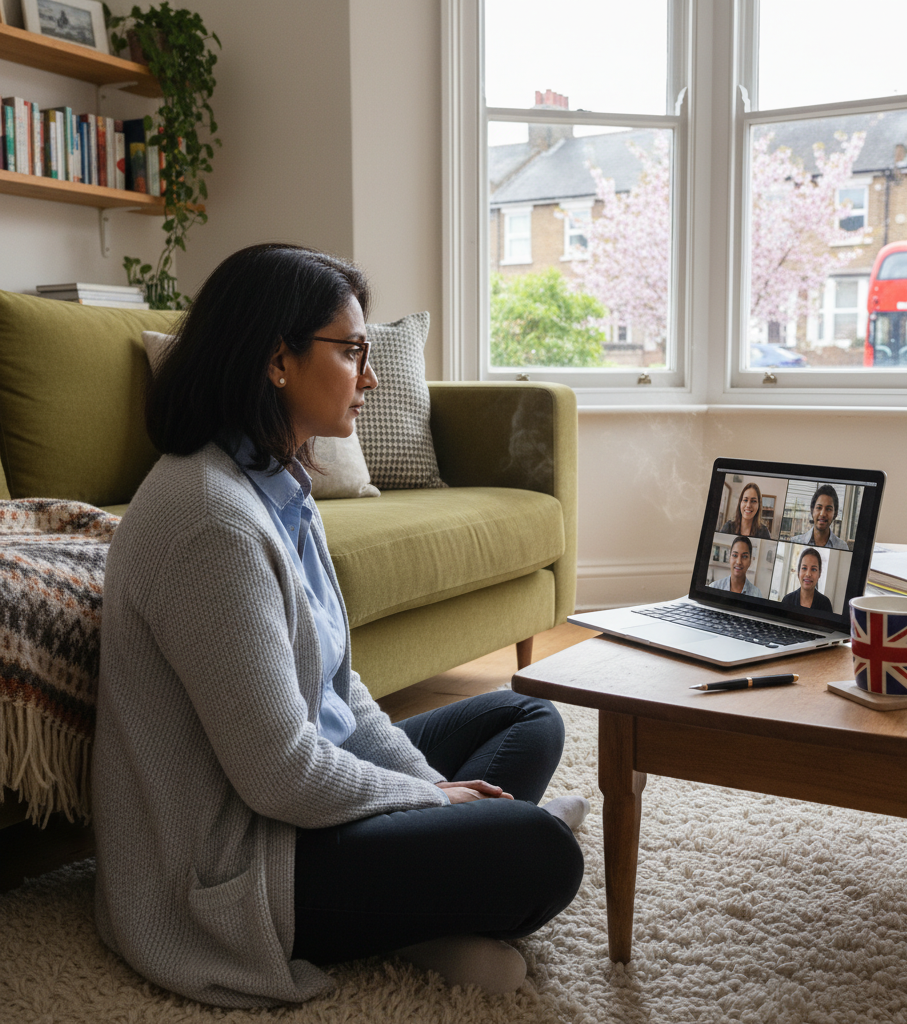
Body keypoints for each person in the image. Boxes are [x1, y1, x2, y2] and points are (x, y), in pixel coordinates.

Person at [92, 243, 587, 1008]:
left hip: (300, 803)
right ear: (276, 360)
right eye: (352, 349)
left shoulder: (280, 479)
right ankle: (441, 901)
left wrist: (432, 789)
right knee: (543, 851)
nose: (372, 374)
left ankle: (429, 910)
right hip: (242, 859)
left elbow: (339, 689)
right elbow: (279, 775)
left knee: (528, 717)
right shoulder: (208, 522)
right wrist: (436, 808)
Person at [790, 484, 850, 550]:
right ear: (812, 510)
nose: (822, 514)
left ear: (835, 514)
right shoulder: (794, 541)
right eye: (819, 507)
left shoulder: (842, 547)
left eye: (828, 509)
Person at [780, 547, 834, 614]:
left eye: (813, 569)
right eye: (804, 568)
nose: (808, 574)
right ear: (798, 572)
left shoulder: (825, 604)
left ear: (819, 574)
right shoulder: (787, 600)